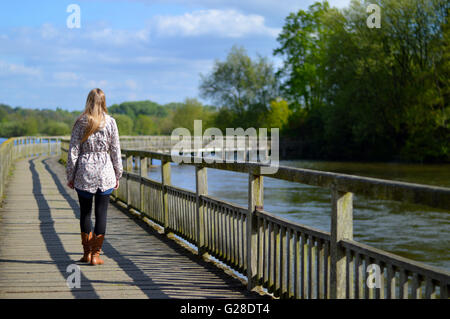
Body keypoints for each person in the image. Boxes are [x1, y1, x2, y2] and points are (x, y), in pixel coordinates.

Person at [66, 88, 123, 266]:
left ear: (88, 101)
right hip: (105, 171)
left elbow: (73, 151)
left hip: (85, 171)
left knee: (84, 213)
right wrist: (117, 173)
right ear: (104, 102)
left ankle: (86, 253)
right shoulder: (111, 122)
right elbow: (115, 150)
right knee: (101, 214)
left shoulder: (81, 122)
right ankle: (96, 255)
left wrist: (70, 175)